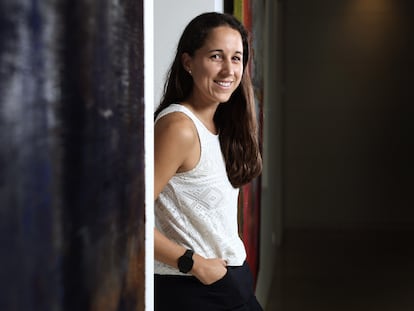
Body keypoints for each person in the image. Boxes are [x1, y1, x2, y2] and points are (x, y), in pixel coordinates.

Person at [154, 12, 263, 311]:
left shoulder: (220, 125)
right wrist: (194, 264)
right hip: (194, 290)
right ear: (188, 62)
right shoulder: (179, 128)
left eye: (237, 58)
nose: (229, 69)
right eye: (217, 56)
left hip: (229, 284)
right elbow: (128, 221)